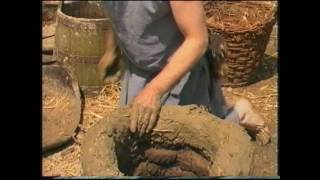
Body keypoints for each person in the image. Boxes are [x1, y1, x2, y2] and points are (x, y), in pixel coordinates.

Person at [99, 1, 270, 143]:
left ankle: (239, 114)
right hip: (140, 70)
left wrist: (153, 90)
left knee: (193, 142)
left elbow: (197, 40)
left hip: (179, 70)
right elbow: (115, 11)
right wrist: (111, 49)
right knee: (133, 138)